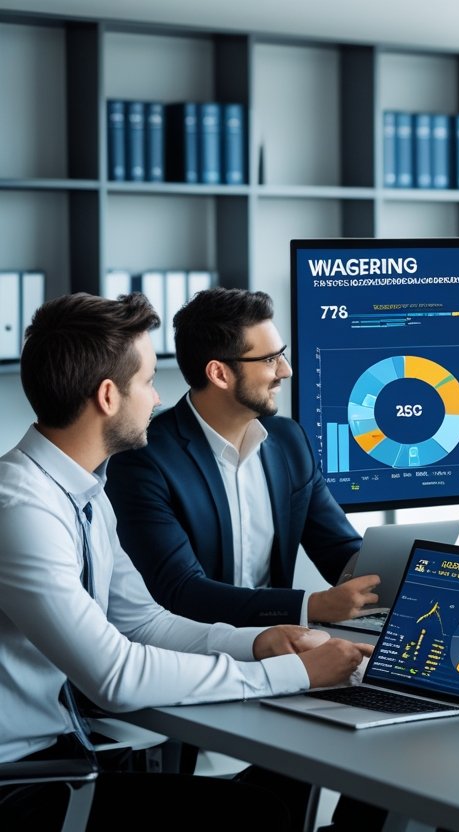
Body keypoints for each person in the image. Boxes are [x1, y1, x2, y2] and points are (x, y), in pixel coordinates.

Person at [0, 292, 371, 829]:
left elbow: (144, 622)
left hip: (63, 759)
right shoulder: (22, 511)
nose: (156, 399)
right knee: (259, 815)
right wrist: (289, 672)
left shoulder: (83, 493)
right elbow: (116, 676)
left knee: (280, 798)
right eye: (149, 381)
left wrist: (261, 641)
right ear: (108, 395)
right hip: (27, 781)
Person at [106, 287, 379, 628]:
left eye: (282, 355)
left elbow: (338, 550)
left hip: (282, 647)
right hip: (191, 658)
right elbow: (180, 591)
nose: (286, 371)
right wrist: (312, 606)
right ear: (219, 373)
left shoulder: (289, 440)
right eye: (269, 360)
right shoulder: (142, 459)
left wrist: (405, 571)